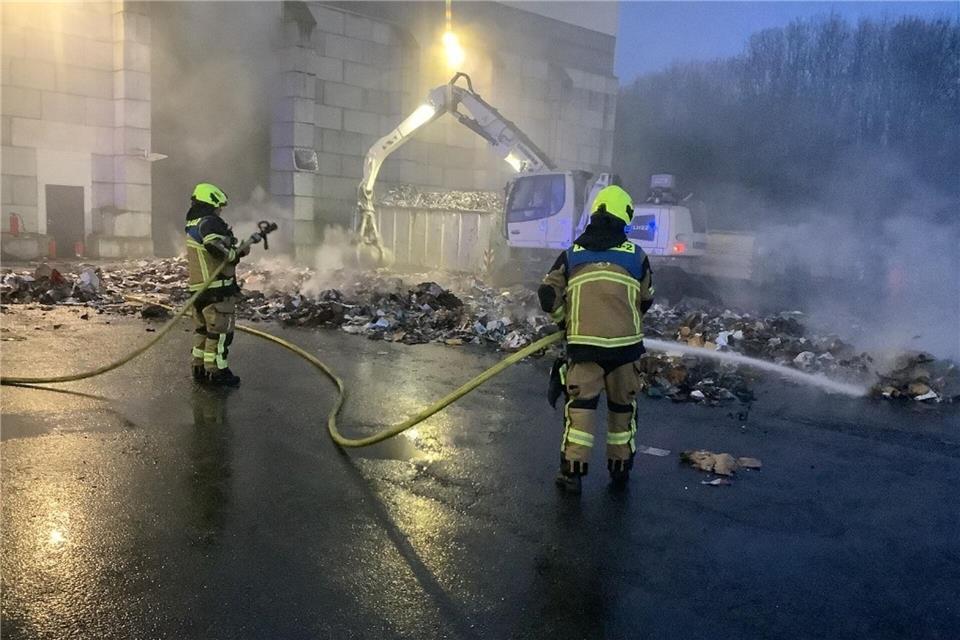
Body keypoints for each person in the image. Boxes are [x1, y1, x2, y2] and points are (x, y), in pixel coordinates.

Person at [538, 185, 655, 493]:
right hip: (625, 351)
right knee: (622, 411)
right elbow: (646, 299)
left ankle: (572, 474)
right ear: (624, 216)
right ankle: (620, 470)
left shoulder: (572, 255)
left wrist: (565, 320)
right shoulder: (637, 257)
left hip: (584, 348)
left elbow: (547, 294)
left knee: (580, 411)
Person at [185, 183, 248, 387]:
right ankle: (218, 371)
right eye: (219, 206)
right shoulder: (210, 222)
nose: (220, 210)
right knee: (221, 334)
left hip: (199, 290)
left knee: (203, 331)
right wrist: (233, 253)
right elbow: (215, 246)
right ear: (211, 202)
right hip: (216, 289)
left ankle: (199, 367)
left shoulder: (194, 224)